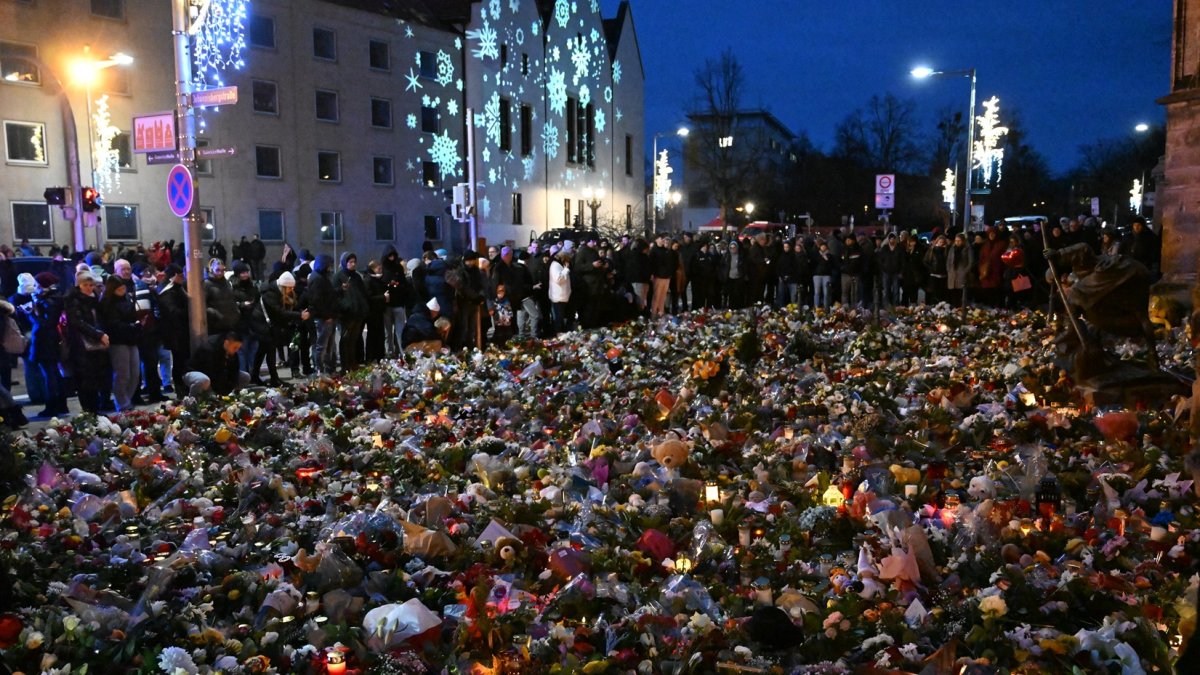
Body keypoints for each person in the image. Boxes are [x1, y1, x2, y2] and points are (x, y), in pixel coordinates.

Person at [99, 274, 140, 411]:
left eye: (123, 288)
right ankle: (122, 403)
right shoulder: (107, 303)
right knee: (123, 374)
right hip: (118, 341)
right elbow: (112, 324)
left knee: (135, 372)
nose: (122, 291)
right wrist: (131, 326)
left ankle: (126, 399)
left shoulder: (127, 299)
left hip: (131, 338)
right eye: (119, 289)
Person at [29, 272, 67, 417]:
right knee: (54, 373)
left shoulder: (48, 300)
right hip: (51, 340)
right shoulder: (54, 297)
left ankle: (52, 406)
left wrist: (31, 314)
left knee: (49, 374)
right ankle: (61, 404)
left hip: (45, 341)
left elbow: (45, 323)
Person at [259, 271, 307, 385]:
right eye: (289, 288)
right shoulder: (270, 294)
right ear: (283, 286)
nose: (291, 290)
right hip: (267, 327)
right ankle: (271, 377)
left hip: (284, 326)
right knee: (267, 353)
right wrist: (299, 315)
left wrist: (299, 313)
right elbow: (280, 312)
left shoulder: (287, 293)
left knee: (291, 347)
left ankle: (285, 373)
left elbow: (292, 308)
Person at [231, 261, 270, 383]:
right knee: (243, 352)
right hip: (241, 325)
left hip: (254, 323)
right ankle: (244, 377)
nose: (246, 274)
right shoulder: (234, 288)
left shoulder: (252, 287)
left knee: (254, 350)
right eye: (243, 272)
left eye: (246, 271)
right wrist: (242, 305)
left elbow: (258, 301)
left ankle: (254, 375)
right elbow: (232, 305)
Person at [157, 264, 190, 396]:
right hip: (176, 333)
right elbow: (173, 312)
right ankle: (180, 388)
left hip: (182, 331)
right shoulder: (167, 292)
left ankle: (184, 386)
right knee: (179, 361)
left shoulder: (178, 289)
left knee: (183, 360)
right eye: (180, 275)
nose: (182, 278)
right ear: (173, 276)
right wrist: (189, 311)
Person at [184, 332, 250, 398]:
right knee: (204, 380)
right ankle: (192, 402)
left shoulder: (232, 352)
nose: (236, 350)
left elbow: (234, 371)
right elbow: (212, 373)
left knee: (245, 377)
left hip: (217, 376)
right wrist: (221, 393)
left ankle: (235, 398)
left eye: (238, 348)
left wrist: (228, 390)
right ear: (226, 343)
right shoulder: (209, 349)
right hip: (195, 373)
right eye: (235, 347)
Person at [305, 254, 339, 374]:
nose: (330, 267)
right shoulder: (317, 278)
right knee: (322, 346)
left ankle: (328, 369)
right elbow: (317, 301)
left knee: (329, 346)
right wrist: (326, 316)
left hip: (328, 316)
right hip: (323, 318)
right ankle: (320, 370)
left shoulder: (322, 276)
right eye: (329, 265)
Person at [380, 245, 411, 358]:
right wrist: (388, 285)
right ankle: (389, 353)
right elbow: (380, 284)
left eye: (393, 255)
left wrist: (398, 286)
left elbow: (404, 284)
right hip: (387, 305)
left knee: (400, 331)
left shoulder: (398, 268)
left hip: (398, 303)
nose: (392, 258)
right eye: (389, 256)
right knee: (388, 332)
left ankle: (402, 353)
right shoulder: (382, 268)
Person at [204, 258, 239, 335]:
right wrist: (215, 314)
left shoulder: (226, 283)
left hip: (230, 322)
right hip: (217, 325)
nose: (220, 273)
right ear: (212, 270)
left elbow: (231, 299)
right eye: (217, 270)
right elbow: (203, 305)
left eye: (222, 270)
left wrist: (236, 312)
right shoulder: (207, 284)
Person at [364, 259, 388, 362]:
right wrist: (383, 297)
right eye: (378, 268)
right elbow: (369, 297)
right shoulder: (369, 280)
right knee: (373, 335)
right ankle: (371, 356)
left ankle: (379, 356)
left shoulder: (378, 279)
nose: (380, 270)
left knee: (380, 335)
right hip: (372, 312)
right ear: (373, 269)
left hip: (379, 311)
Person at [549, 246, 572, 332]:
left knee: (561, 318)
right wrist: (566, 269)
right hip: (558, 297)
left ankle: (561, 333)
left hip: (562, 297)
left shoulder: (559, 265)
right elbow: (558, 279)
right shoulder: (555, 265)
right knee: (558, 319)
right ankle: (558, 335)